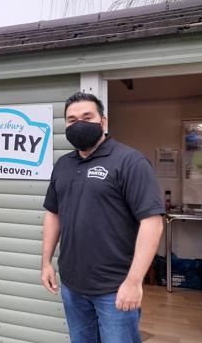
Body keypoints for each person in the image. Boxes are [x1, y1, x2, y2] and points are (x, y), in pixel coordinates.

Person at [41, 92, 164, 342]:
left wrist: (134, 281)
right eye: (72, 119)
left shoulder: (130, 161)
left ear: (103, 122)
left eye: (87, 117)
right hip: (72, 285)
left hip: (115, 288)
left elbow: (152, 222)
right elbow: (53, 214)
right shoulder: (63, 165)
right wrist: (46, 262)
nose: (79, 124)